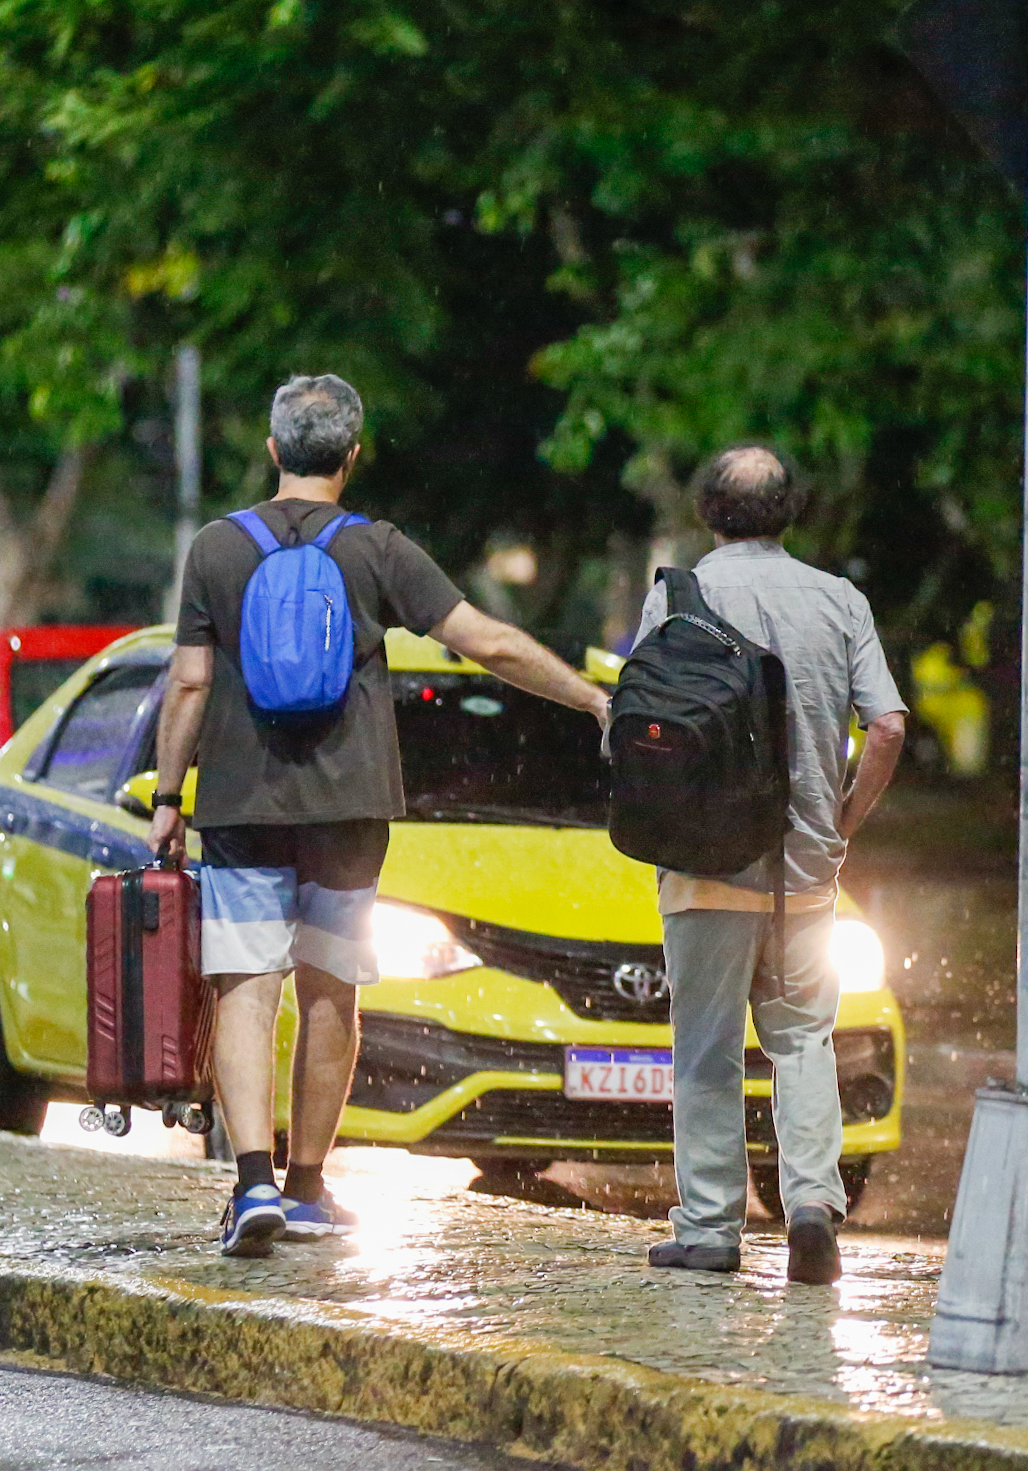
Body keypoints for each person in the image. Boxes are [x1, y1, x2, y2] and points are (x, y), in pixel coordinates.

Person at [149, 374, 610, 1257]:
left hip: (243, 803)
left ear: (274, 449)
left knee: (245, 990)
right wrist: (587, 697)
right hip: (350, 807)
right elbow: (488, 641)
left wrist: (169, 799)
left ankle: (250, 1183)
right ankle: (310, 1187)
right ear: (351, 456)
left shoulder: (215, 549)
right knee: (331, 991)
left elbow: (190, 683)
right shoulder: (379, 550)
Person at [635, 446, 907, 1286]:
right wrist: (839, 824)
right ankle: (813, 1208)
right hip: (804, 874)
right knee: (803, 1043)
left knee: (706, 1051)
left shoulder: (678, 596)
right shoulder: (839, 600)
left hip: (701, 867)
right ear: (790, 513)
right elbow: (889, 725)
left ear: (707, 513)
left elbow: (638, 721)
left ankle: (711, 1227)